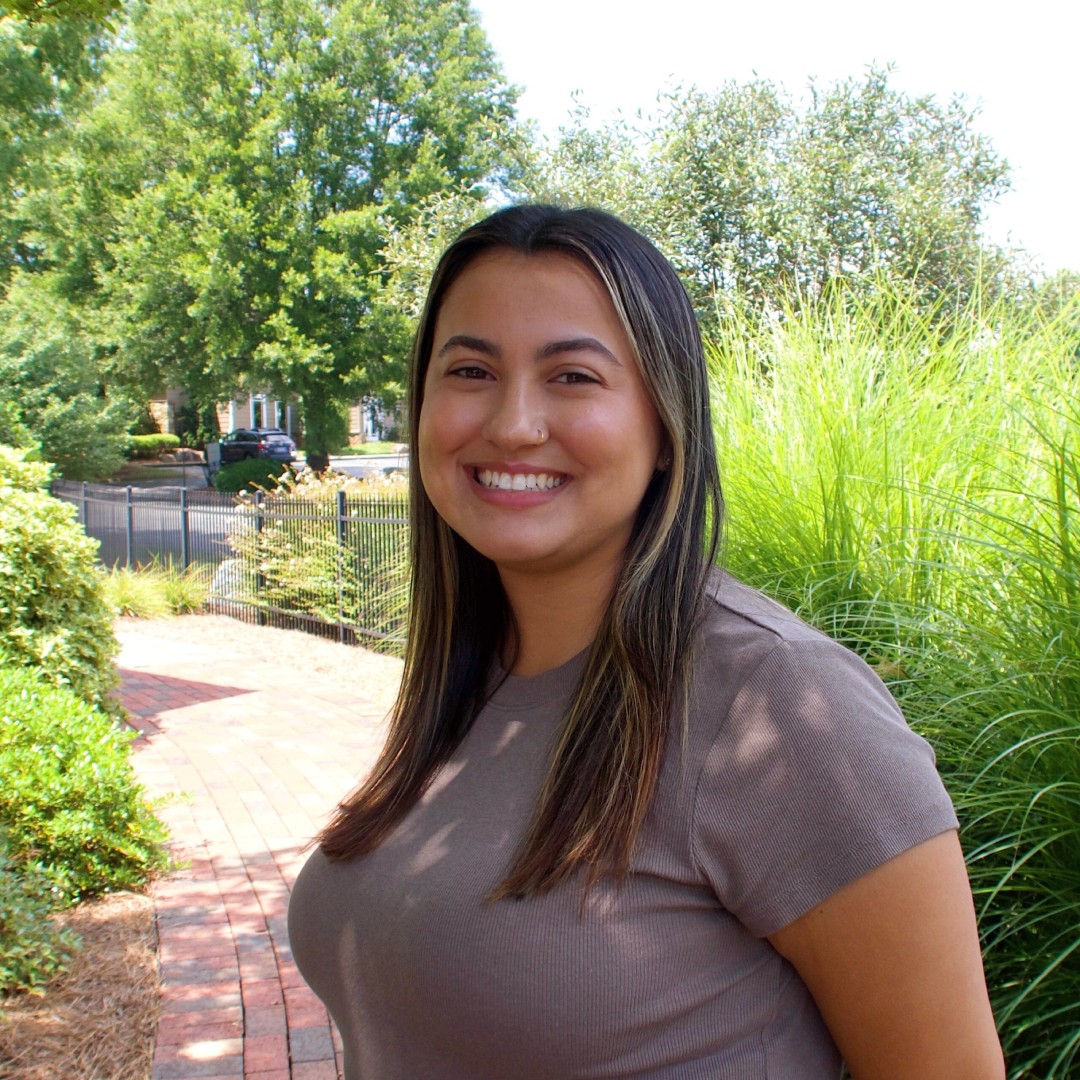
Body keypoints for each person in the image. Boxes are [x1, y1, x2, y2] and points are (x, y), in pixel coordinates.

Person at [287, 205, 1004, 1078]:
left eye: (574, 378)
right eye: (471, 369)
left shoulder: (779, 708)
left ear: (665, 426)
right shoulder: (471, 680)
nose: (513, 423)